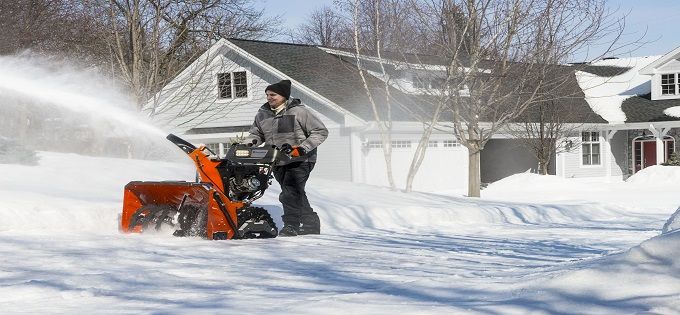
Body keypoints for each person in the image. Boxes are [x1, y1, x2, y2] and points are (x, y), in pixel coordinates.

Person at [243, 79, 328, 237]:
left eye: (273, 94)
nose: (269, 97)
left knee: (289, 191)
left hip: (301, 160)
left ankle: (291, 225)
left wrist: (302, 148)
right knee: (294, 192)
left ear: (283, 95)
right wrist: (249, 144)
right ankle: (311, 223)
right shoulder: (262, 114)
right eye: (267, 95)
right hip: (276, 160)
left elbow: (320, 132)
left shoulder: (299, 112)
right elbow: (256, 134)